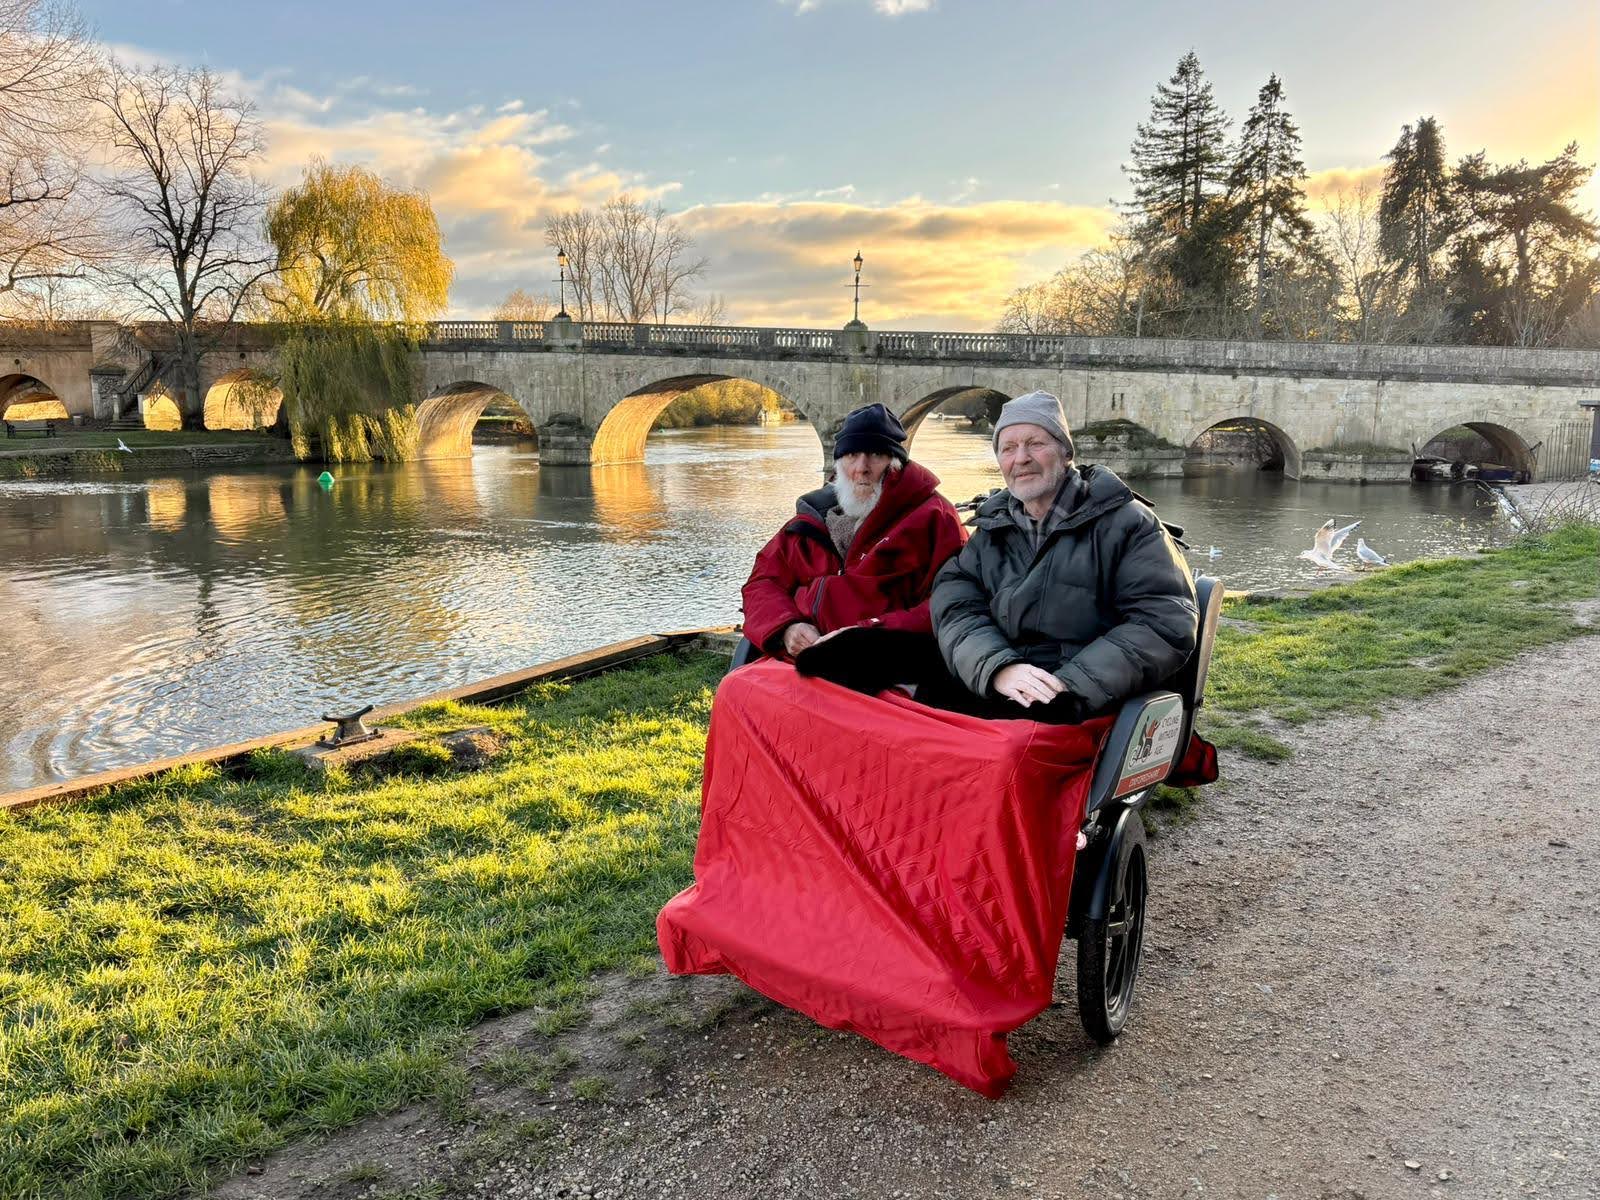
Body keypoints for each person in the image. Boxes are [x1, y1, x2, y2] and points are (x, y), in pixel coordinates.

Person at [927, 390, 1198, 723]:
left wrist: (1066, 687)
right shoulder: (990, 530)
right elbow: (955, 603)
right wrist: (998, 667)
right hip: (1006, 681)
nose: (1021, 458)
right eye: (1008, 448)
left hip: (1083, 699)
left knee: (975, 745)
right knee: (875, 668)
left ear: (1066, 452)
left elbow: (1164, 621)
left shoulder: (1128, 523)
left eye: (1035, 444)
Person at [741, 403, 966, 660]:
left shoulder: (934, 518)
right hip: (800, 659)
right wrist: (786, 627)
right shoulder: (811, 520)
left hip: (884, 663)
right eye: (851, 456)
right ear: (838, 464)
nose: (861, 467)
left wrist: (867, 633)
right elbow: (762, 582)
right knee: (734, 688)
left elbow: (950, 602)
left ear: (895, 464)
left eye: (875, 455)